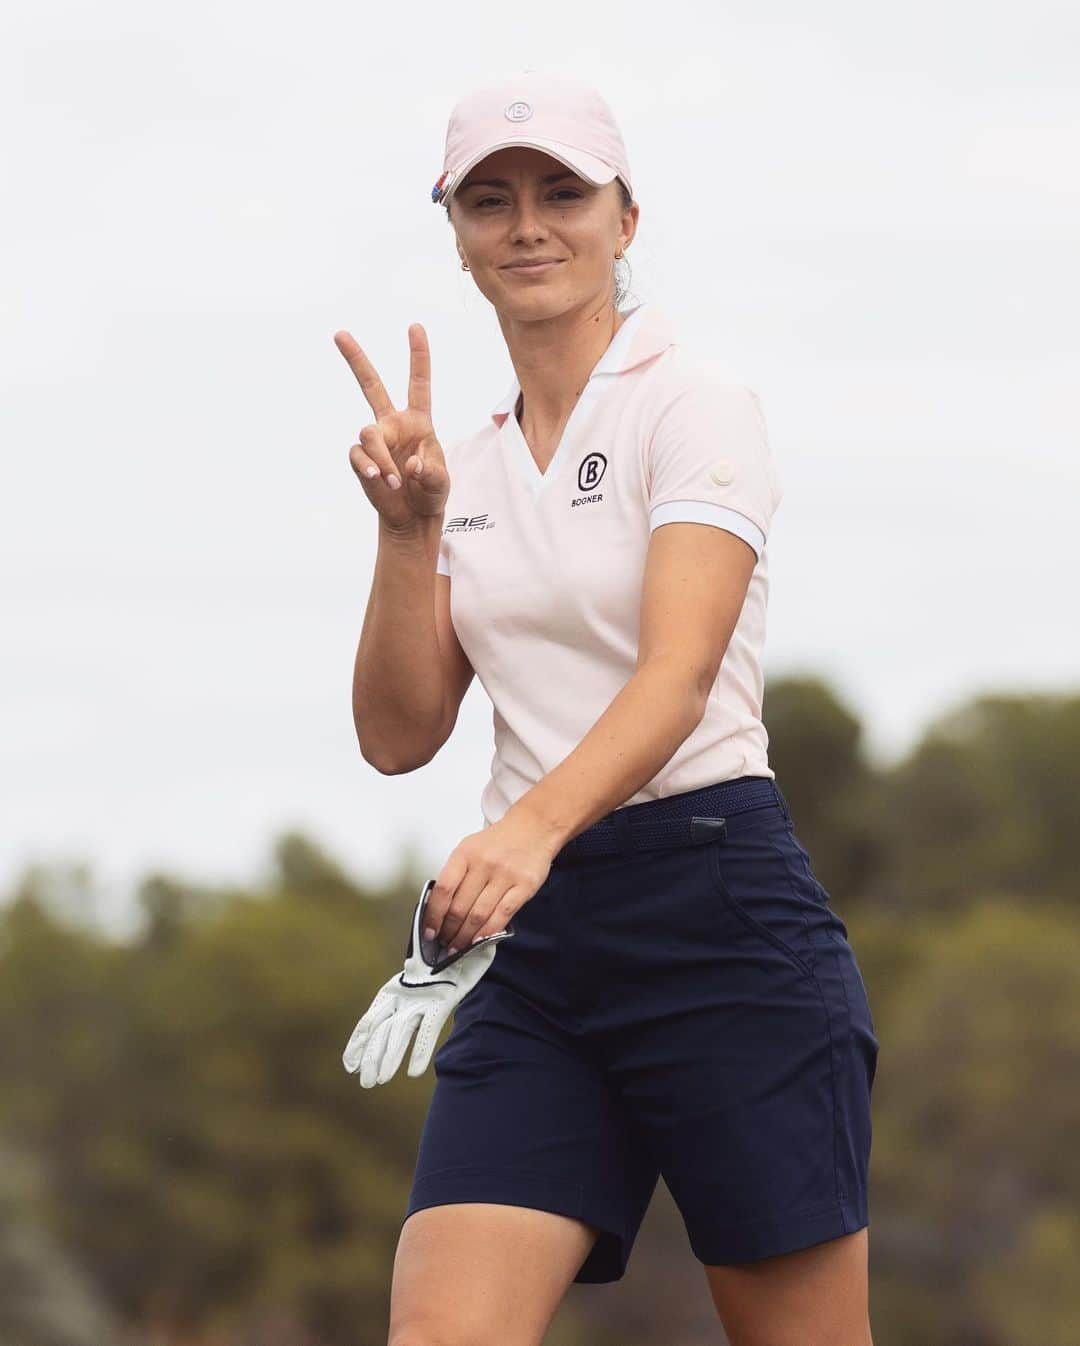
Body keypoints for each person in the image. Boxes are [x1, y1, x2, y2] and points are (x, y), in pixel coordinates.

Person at [335, 70, 880, 1346]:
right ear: (457, 230)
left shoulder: (694, 405)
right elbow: (398, 735)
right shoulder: (459, 463)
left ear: (623, 218)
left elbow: (676, 677)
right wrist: (408, 533)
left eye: (561, 193)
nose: (528, 224)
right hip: (541, 953)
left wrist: (524, 833)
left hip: (719, 914)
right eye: (491, 199)